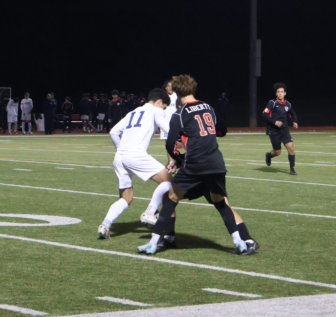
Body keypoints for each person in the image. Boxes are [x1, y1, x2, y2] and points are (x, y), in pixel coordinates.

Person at [138, 75, 255, 256]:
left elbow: (170, 144)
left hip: (196, 165)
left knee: (170, 198)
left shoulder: (180, 113)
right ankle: (239, 242)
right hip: (216, 162)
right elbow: (219, 129)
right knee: (221, 203)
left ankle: (154, 243)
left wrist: (176, 160)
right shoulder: (208, 107)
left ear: (176, 92)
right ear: (193, 89)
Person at [97, 88, 172, 239]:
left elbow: (113, 132)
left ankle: (105, 224)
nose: (163, 109)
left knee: (126, 197)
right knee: (169, 181)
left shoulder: (133, 112)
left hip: (120, 156)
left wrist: (121, 149)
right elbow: (168, 131)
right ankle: (151, 211)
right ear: (159, 102)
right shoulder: (156, 111)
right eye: (163, 106)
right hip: (135, 154)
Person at [262, 82, 299, 175]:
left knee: (290, 148)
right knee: (277, 152)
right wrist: (274, 122)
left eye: (282, 92)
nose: (280, 93)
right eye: (278, 92)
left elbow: (292, 113)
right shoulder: (272, 103)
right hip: (274, 130)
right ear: (276, 94)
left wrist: (294, 121)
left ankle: (292, 169)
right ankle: (269, 155)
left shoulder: (288, 104)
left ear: (285, 93)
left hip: (284, 130)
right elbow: (264, 114)